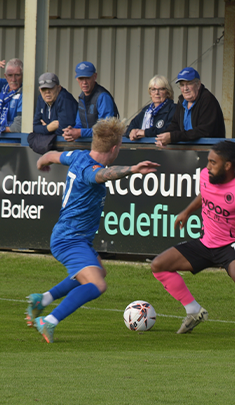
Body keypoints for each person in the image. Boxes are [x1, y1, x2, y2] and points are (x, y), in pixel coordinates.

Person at [24, 117, 159, 343]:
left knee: (99, 272)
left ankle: (42, 299)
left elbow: (50, 155)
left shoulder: (77, 155)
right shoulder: (91, 170)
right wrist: (133, 169)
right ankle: (49, 320)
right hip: (69, 240)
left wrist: (42, 162)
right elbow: (103, 175)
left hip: (75, 237)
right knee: (97, 284)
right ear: (115, 148)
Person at [150, 140, 235, 342]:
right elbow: (204, 195)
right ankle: (194, 310)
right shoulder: (205, 176)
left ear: (228, 165)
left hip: (230, 245)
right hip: (206, 242)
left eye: (213, 162)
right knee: (158, 265)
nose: (208, 166)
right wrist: (187, 211)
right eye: (208, 161)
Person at [155, 67, 226, 147]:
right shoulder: (182, 101)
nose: (185, 88)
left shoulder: (207, 99)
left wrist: (173, 137)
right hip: (188, 151)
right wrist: (164, 136)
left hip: (208, 151)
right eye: (182, 85)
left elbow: (204, 131)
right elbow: (175, 125)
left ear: (198, 84)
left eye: (189, 83)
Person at [62, 61, 119, 142]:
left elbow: (105, 129)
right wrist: (71, 131)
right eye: (81, 78)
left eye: (88, 78)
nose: (84, 82)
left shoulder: (103, 96)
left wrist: (80, 132)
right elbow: (79, 124)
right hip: (89, 143)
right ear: (76, 78)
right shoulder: (82, 96)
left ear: (95, 76)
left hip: (105, 144)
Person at [125, 75, 176, 141]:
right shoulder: (146, 110)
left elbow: (170, 130)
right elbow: (132, 125)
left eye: (161, 89)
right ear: (150, 93)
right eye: (153, 89)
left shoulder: (173, 109)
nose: (157, 93)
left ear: (168, 92)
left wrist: (145, 133)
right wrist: (132, 131)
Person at [32, 72, 77, 141]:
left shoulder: (65, 99)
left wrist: (44, 129)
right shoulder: (41, 99)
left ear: (59, 88)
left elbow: (64, 130)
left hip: (69, 142)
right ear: (40, 90)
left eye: (51, 88)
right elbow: (35, 126)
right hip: (51, 143)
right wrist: (48, 128)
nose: (47, 92)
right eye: (44, 89)